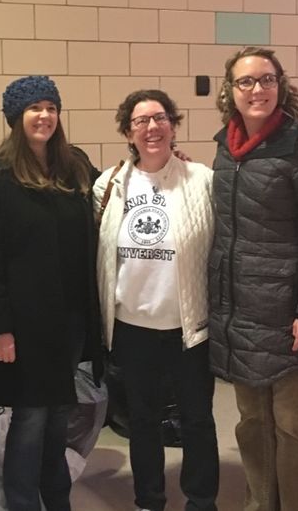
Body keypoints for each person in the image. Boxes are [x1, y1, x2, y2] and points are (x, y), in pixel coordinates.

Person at [208, 46, 298, 511]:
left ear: (281, 85)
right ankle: (259, 503)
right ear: (230, 91)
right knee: (250, 420)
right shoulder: (223, 149)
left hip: (288, 313)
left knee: (291, 422)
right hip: (238, 311)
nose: (257, 89)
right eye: (245, 82)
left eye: (266, 79)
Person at [0, 75, 103, 511]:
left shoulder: (75, 168)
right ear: (16, 118)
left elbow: (118, 192)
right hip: (22, 325)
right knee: (29, 419)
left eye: (50, 107)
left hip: (68, 322)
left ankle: (57, 498)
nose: (44, 116)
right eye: (34, 108)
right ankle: (24, 501)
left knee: (60, 416)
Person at [93, 89, 219, 511]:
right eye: (141, 121)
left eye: (160, 118)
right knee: (142, 421)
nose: (152, 127)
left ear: (174, 125)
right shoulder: (108, 185)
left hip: (188, 327)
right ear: (128, 131)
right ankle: (149, 499)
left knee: (197, 419)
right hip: (132, 327)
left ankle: (201, 499)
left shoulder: (201, 180)